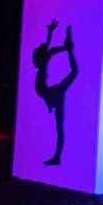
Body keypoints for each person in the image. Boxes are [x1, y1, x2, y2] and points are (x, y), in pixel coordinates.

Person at [32, 19, 77, 165]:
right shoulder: (43, 62)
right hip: (51, 94)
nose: (33, 61)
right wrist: (50, 32)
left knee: (59, 126)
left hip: (53, 94)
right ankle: (57, 157)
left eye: (35, 58)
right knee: (59, 126)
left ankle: (57, 157)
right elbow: (48, 48)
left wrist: (65, 48)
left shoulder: (43, 61)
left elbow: (48, 49)